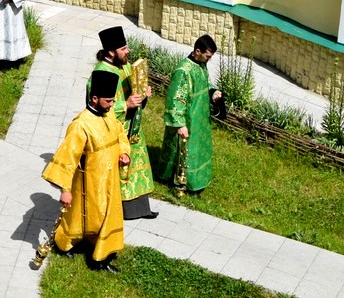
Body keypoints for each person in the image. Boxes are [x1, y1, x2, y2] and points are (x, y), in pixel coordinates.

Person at [42, 69, 130, 272]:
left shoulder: (109, 115)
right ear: (95, 98)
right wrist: (65, 190)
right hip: (89, 185)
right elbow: (67, 159)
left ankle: (101, 257)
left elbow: (121, 135)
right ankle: (64, 245)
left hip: (111, 180)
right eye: (108, 101)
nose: (112, 105)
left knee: (108, 217)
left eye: (112, 100)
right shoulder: (80, 125)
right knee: (80, 218)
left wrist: (124, 153)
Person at [88, 26, 158, 220]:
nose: (128, 51)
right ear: (111, 52)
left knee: (138, 168)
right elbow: (94, 106)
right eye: (124, 48)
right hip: (116, 132)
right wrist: (125, 105)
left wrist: (143, 95)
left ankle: (141, 209)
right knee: (122, 171)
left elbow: (134, 93)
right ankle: (121, 211)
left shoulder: (125, 66)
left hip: (132, 128)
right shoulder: (101, 73)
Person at [155, 34, 221, 193]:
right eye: (208, 56)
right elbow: (175, 99)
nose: (209, 59)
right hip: (187, 120)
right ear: (198, 51)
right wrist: (180, 124)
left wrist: (213, 92)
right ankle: (181, 181)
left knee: (196, 150)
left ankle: (195, 179)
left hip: (199, 119)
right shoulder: (183, 71)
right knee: (183, 152)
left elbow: (205, 83)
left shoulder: (201, 65)